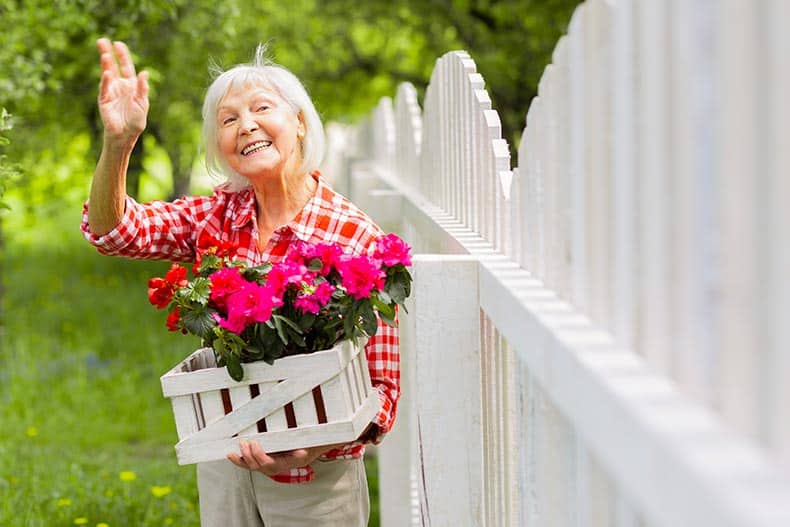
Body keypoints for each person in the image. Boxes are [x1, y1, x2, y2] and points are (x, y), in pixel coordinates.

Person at [81, 38, 400, 527]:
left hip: (316, 480)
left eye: (261, 108)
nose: (245, 125)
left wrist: (310, 447)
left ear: (298, 121)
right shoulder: (217, 215)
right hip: (226, 456)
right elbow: (115, 232)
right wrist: (119, 144)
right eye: (228, 120)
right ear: (221, 146)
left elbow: (382, 389)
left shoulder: (354, 234)